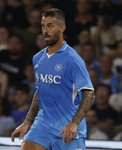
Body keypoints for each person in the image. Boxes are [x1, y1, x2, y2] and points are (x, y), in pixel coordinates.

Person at [11, 8, 95, 150]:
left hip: (68, 128)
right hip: (43, 125)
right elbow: (41, 91)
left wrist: (74, 123)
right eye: (43, 26)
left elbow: (89, 93)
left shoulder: (73, 59)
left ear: (62, 28)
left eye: (50, 26)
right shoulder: (38, 58)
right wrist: (27, 122)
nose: (45, 30)